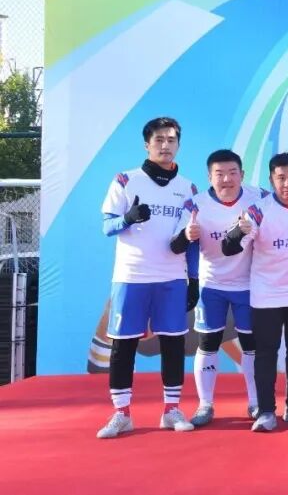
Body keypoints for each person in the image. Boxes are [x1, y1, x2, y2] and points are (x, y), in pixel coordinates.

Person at [96, 117, 199, 439]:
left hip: (172, 278)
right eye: (159, 140)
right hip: (132, 276)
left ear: (178, 144)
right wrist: (127, 218)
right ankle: (122, 414)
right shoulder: (126, 180)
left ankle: (171, 410)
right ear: (147, 145)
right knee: (123, 345)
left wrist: (194, 280)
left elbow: (189, 239)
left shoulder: (188, 188)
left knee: (173, 344)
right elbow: (107, 227)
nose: (165, 146)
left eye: (171, 140)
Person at [225, 152, 288, 432]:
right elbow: (228, 249)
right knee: (266, 353)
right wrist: (236, 232)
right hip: (266, 295)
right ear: (271, 180)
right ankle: (266, 411)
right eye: (281, 178)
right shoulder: (258, 211)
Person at [172, 149, 266, 427]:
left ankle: (255, 402)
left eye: (232, 172)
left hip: (249, 285)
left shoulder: (260, 197)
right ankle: (205, 405)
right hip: (211, 285)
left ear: (242, 175)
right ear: (209, 177)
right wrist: (186, 236)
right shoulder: (195, 205)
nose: (226, 179)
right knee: (208, 343)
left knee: (251, 345)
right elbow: (175, 246)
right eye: (219, 174)